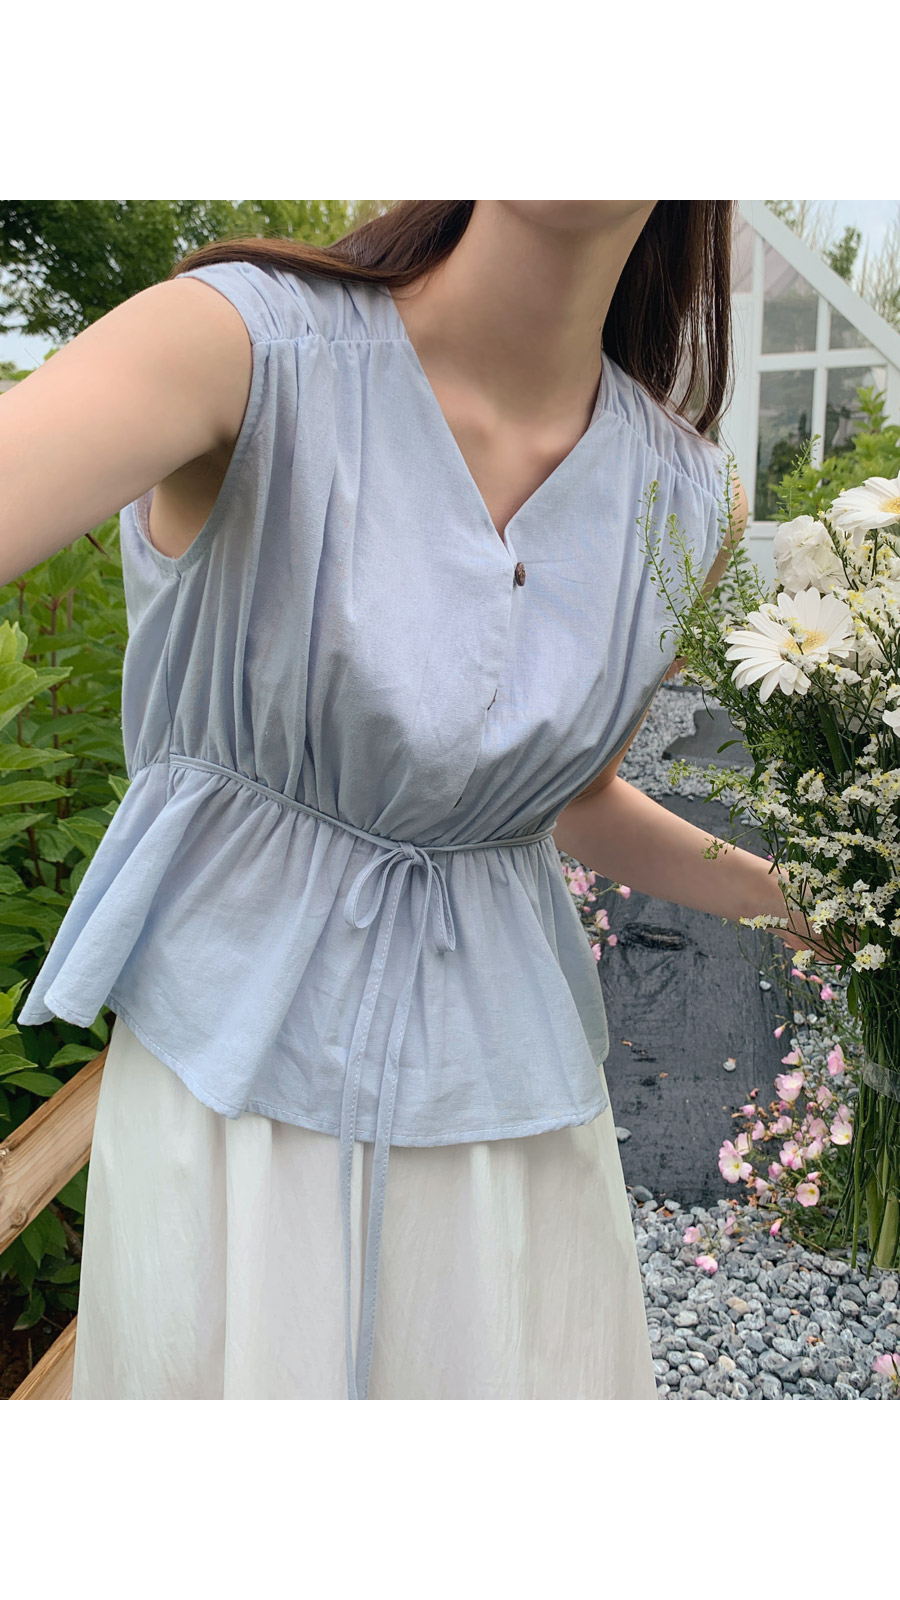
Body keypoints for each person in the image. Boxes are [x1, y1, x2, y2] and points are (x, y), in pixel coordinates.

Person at [4, 199, 804, 1400]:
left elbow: (568, 798)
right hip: (239, 1101)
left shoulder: (691, 499)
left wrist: (798, 897)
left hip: (511, 1125)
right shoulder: (241, 346)